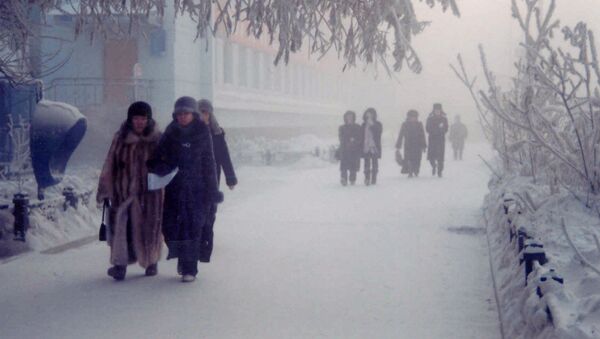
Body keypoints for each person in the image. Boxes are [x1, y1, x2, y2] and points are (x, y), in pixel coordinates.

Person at [147, 96, 223, 283]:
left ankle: (190, 268)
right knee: (172, 227)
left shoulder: (202, 133)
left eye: (186, 113)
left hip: (197, 191)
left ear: (193, 114)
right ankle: (182, 259)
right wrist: (162, 167)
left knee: (192, 228)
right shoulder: (170, 132)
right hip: (174, 189)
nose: (182, 117)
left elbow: (209, 163)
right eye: (179, 114)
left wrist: (212, 190)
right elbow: (157, 158)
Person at [97, 101, 163, 281]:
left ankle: (151, 262)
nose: (139, 122)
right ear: (130, 120)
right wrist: (105, 189)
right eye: (136, 118)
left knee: (149, 228)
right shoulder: (121, 138)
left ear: (148, 120)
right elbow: (109, 164)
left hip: (150, 195)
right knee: (122, 229)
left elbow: (167, 166)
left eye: (143, 118)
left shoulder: (157, 140)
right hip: (123, 194)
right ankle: (120, 266)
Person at [198, 98, 237, 263]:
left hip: (213, 178)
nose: (202, 115)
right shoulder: (191, 132)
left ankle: (205, 245)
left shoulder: (217, 134)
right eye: (199, 112)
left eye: (205, 112)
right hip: (193, 178)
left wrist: (230, 177)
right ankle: (196, 241)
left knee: (209, 212)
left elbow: (224, 156)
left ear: (210, 114)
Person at [396, 110, 427, 178]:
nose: (413, 118)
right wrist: (398, 145)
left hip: (417, 145)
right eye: (411, 117)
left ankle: (416, 170)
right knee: (409, 159)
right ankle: (410, 171)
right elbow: (401, 135)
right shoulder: (405, 124)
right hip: (408, 145)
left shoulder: (419, 124)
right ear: (408, 117)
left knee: (417, 159)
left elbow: (422, 135)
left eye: (414, 117)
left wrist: (423, 145)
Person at [338, 110, 362, 186]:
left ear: (353, 117)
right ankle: (343, 179)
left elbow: (360, 137)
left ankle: (352, 179)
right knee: (344, 166)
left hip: (354, 150)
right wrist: (349, 140)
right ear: (345, 117)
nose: (349, 118)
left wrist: (354, 141)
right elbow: (341, 138)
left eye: (351, 116)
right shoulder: (342, 127)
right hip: (345, 149)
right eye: (348, 116)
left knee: (353, 166)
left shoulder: (358, 127)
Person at [426, 103, 449, 177]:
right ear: (434, 110)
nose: (437, 111)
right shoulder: (430, 118)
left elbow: (446, 129)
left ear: (441, 110)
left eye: (438, 110)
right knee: (431, 157)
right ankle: (434, 166)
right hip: (432, 139)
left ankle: (440, 171)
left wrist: (441, 130)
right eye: (436, 110)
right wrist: (434, 131)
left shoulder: (444, 119)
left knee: (440, 157)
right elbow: (427, 128)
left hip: (440, 140)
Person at [361, 107, 383, 186]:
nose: (369, 117)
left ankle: (374, 178)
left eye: (371, 115)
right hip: (366, 146)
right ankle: (367, 178)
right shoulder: (363, 125)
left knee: (374, 163)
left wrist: (372, 125)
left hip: (374, 147)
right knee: (366, 163)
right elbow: (361, 136)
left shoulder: (378, 124)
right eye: (368, 115)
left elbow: (378, 133)